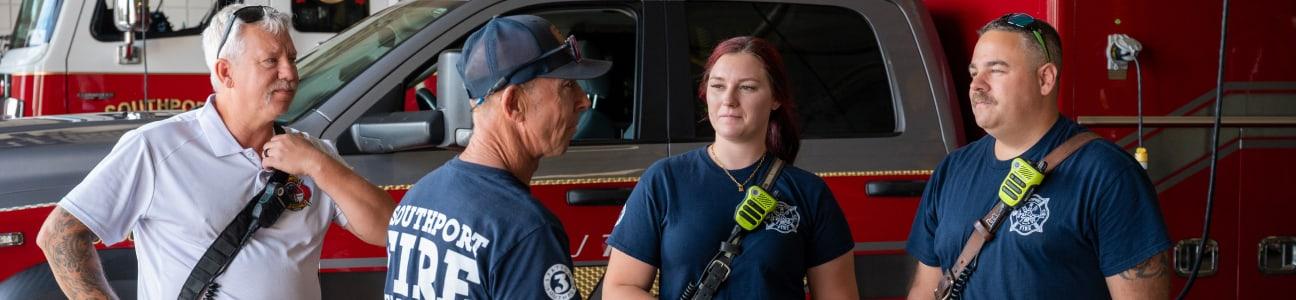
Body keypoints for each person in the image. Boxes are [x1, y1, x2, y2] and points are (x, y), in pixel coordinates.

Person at [35, 5, 395, 299]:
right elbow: (59, 235)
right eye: (271, 61)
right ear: (226, 72)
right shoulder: (156, 147)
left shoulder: (313, 154)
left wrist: (318, 164)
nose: (289, 73)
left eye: (291, 58)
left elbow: (390, 233)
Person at [905, 13, 1171, 299]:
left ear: (1045, 79)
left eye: (996, 70)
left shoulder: (1107, 174)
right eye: (973, 72)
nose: (977, 85)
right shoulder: (951, 171)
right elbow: (925, 289)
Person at [602, 36, 859, 299]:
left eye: (747, 87)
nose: (729, 99)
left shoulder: (809, 193)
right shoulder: (664, 180)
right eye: (718, 86)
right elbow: (619, 289)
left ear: (776, 98)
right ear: (705, 93)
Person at [382, 15, 610, 300]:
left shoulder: (416, 200)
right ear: (514, 104)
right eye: (567, 86)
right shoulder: (525, 230)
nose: (584, 100)